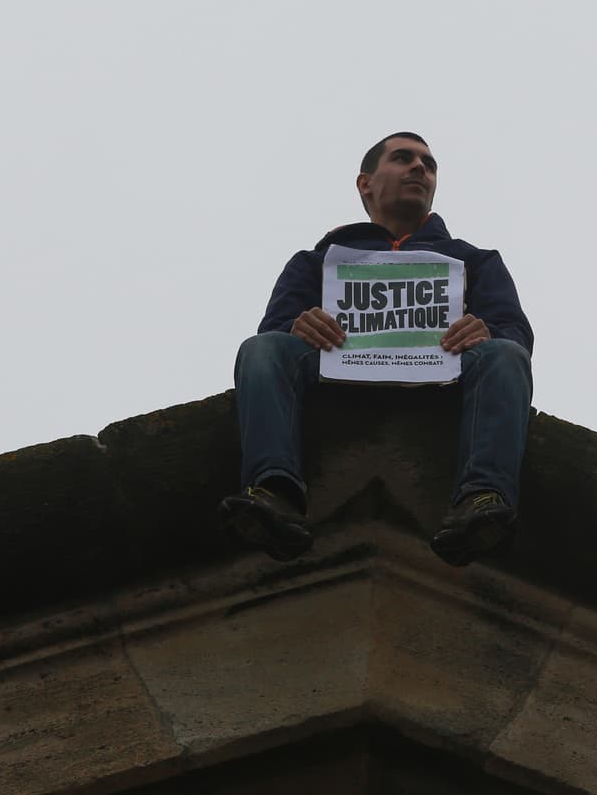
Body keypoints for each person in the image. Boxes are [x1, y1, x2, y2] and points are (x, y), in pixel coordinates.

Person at [220, 132, 534, 567]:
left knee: (506, 356)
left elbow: (515, 332)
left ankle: (482, 499)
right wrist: (299, 326)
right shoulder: (316, 260)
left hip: (445, 371)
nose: (420, 168)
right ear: (365, 183)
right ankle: (273, 492)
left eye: (428, 163)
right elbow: (275, 332)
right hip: (336, 366)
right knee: (261, 349)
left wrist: (485, 330)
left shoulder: (475, 259)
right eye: (403, 158)